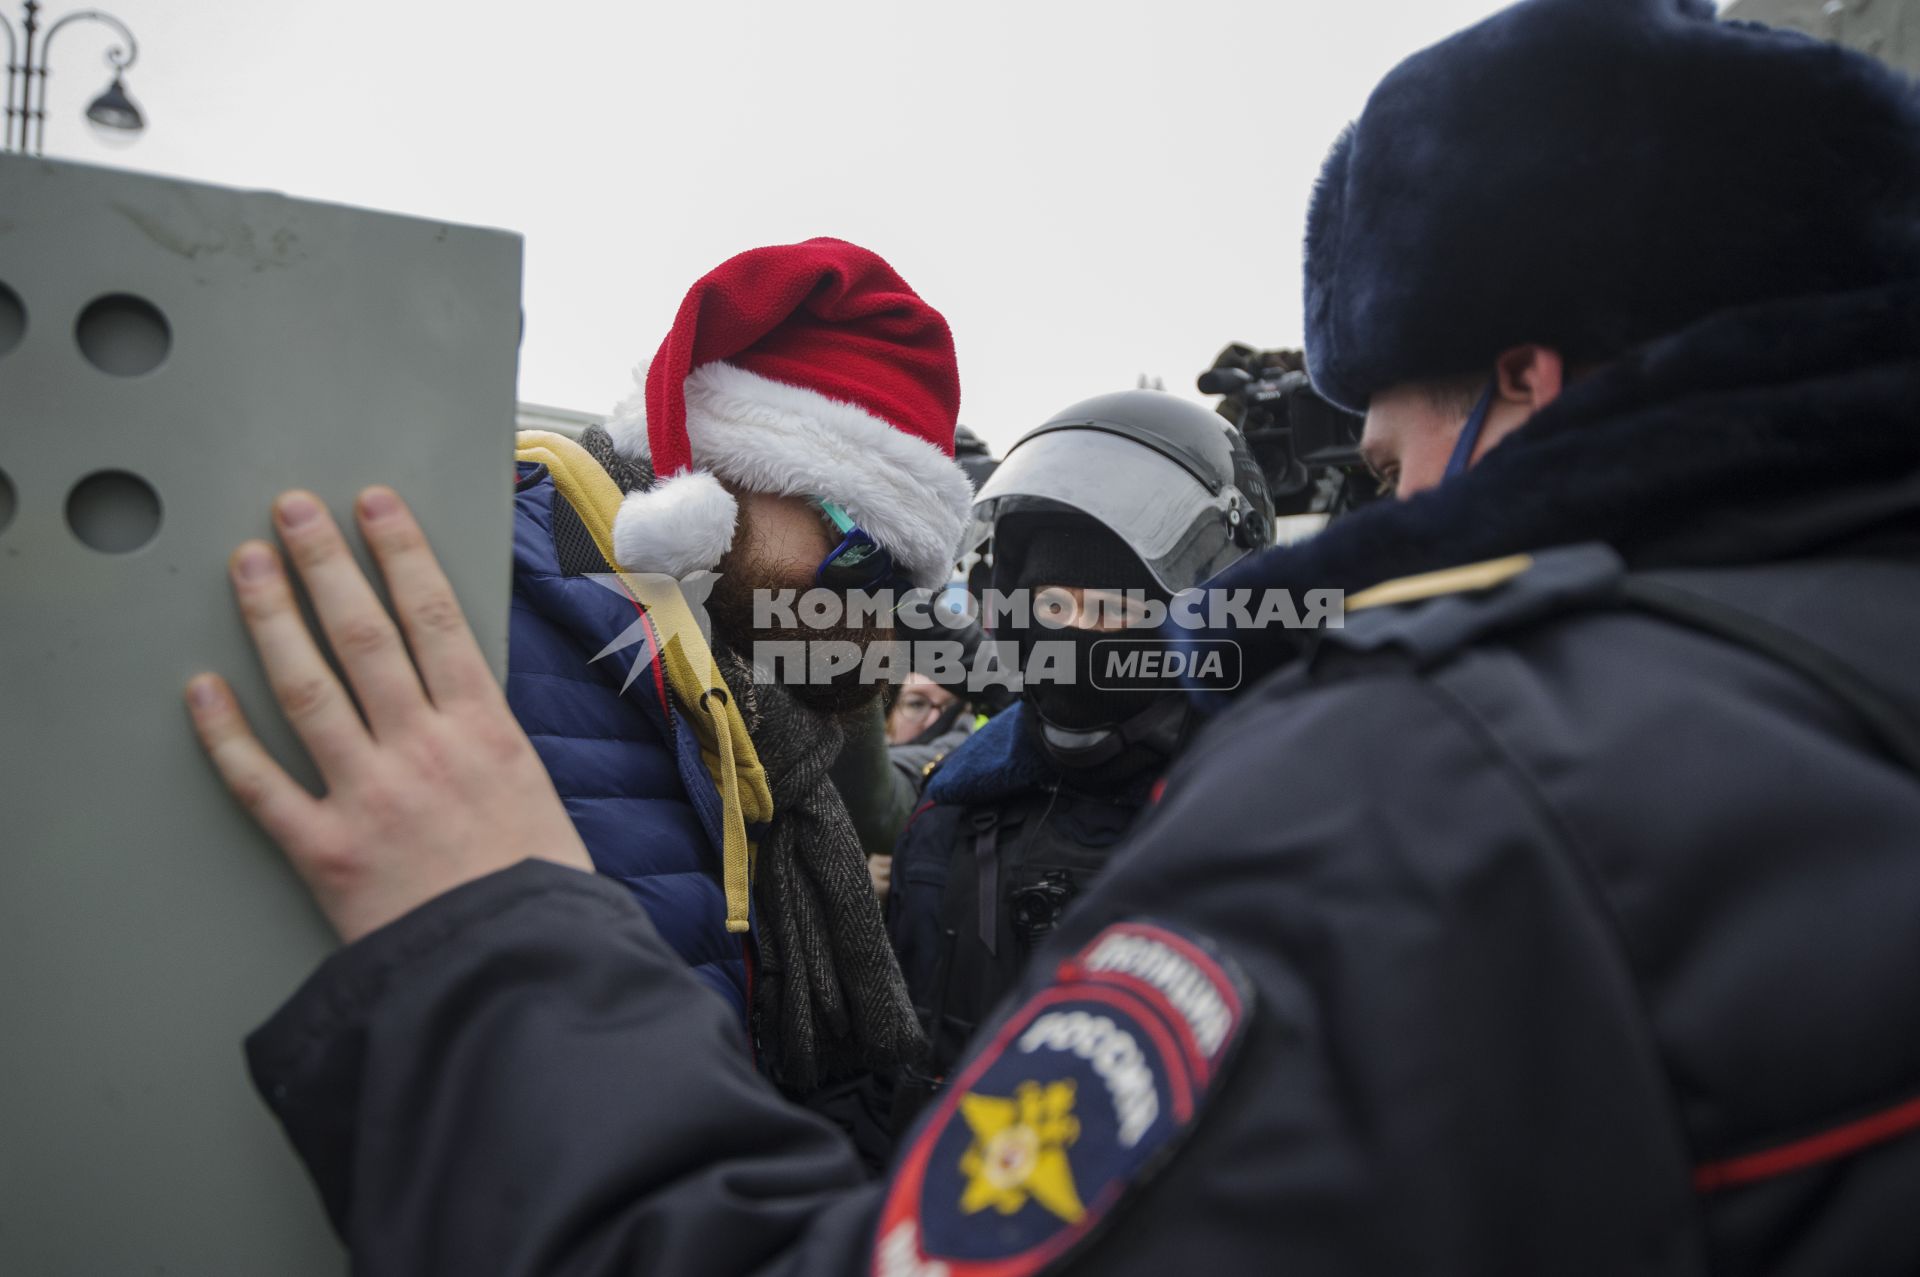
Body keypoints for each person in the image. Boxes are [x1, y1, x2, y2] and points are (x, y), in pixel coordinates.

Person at [189, 2, 1920, 1272]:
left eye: (1391, 422)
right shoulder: (968, 790)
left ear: (1526, 376)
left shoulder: (1422, 777)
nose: (1381, 473)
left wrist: (480, 939)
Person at [502, 236, 974, 1094]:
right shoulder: (524, 617)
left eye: (902, 583)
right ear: (710, 481)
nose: (872, 615)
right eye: (862, 556)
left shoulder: (746, 701)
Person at [886, 390, 1274, 1107]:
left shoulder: (1267, 822)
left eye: (1115, 607)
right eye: (1049, 605)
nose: (1073, 635)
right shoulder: (950, 814)